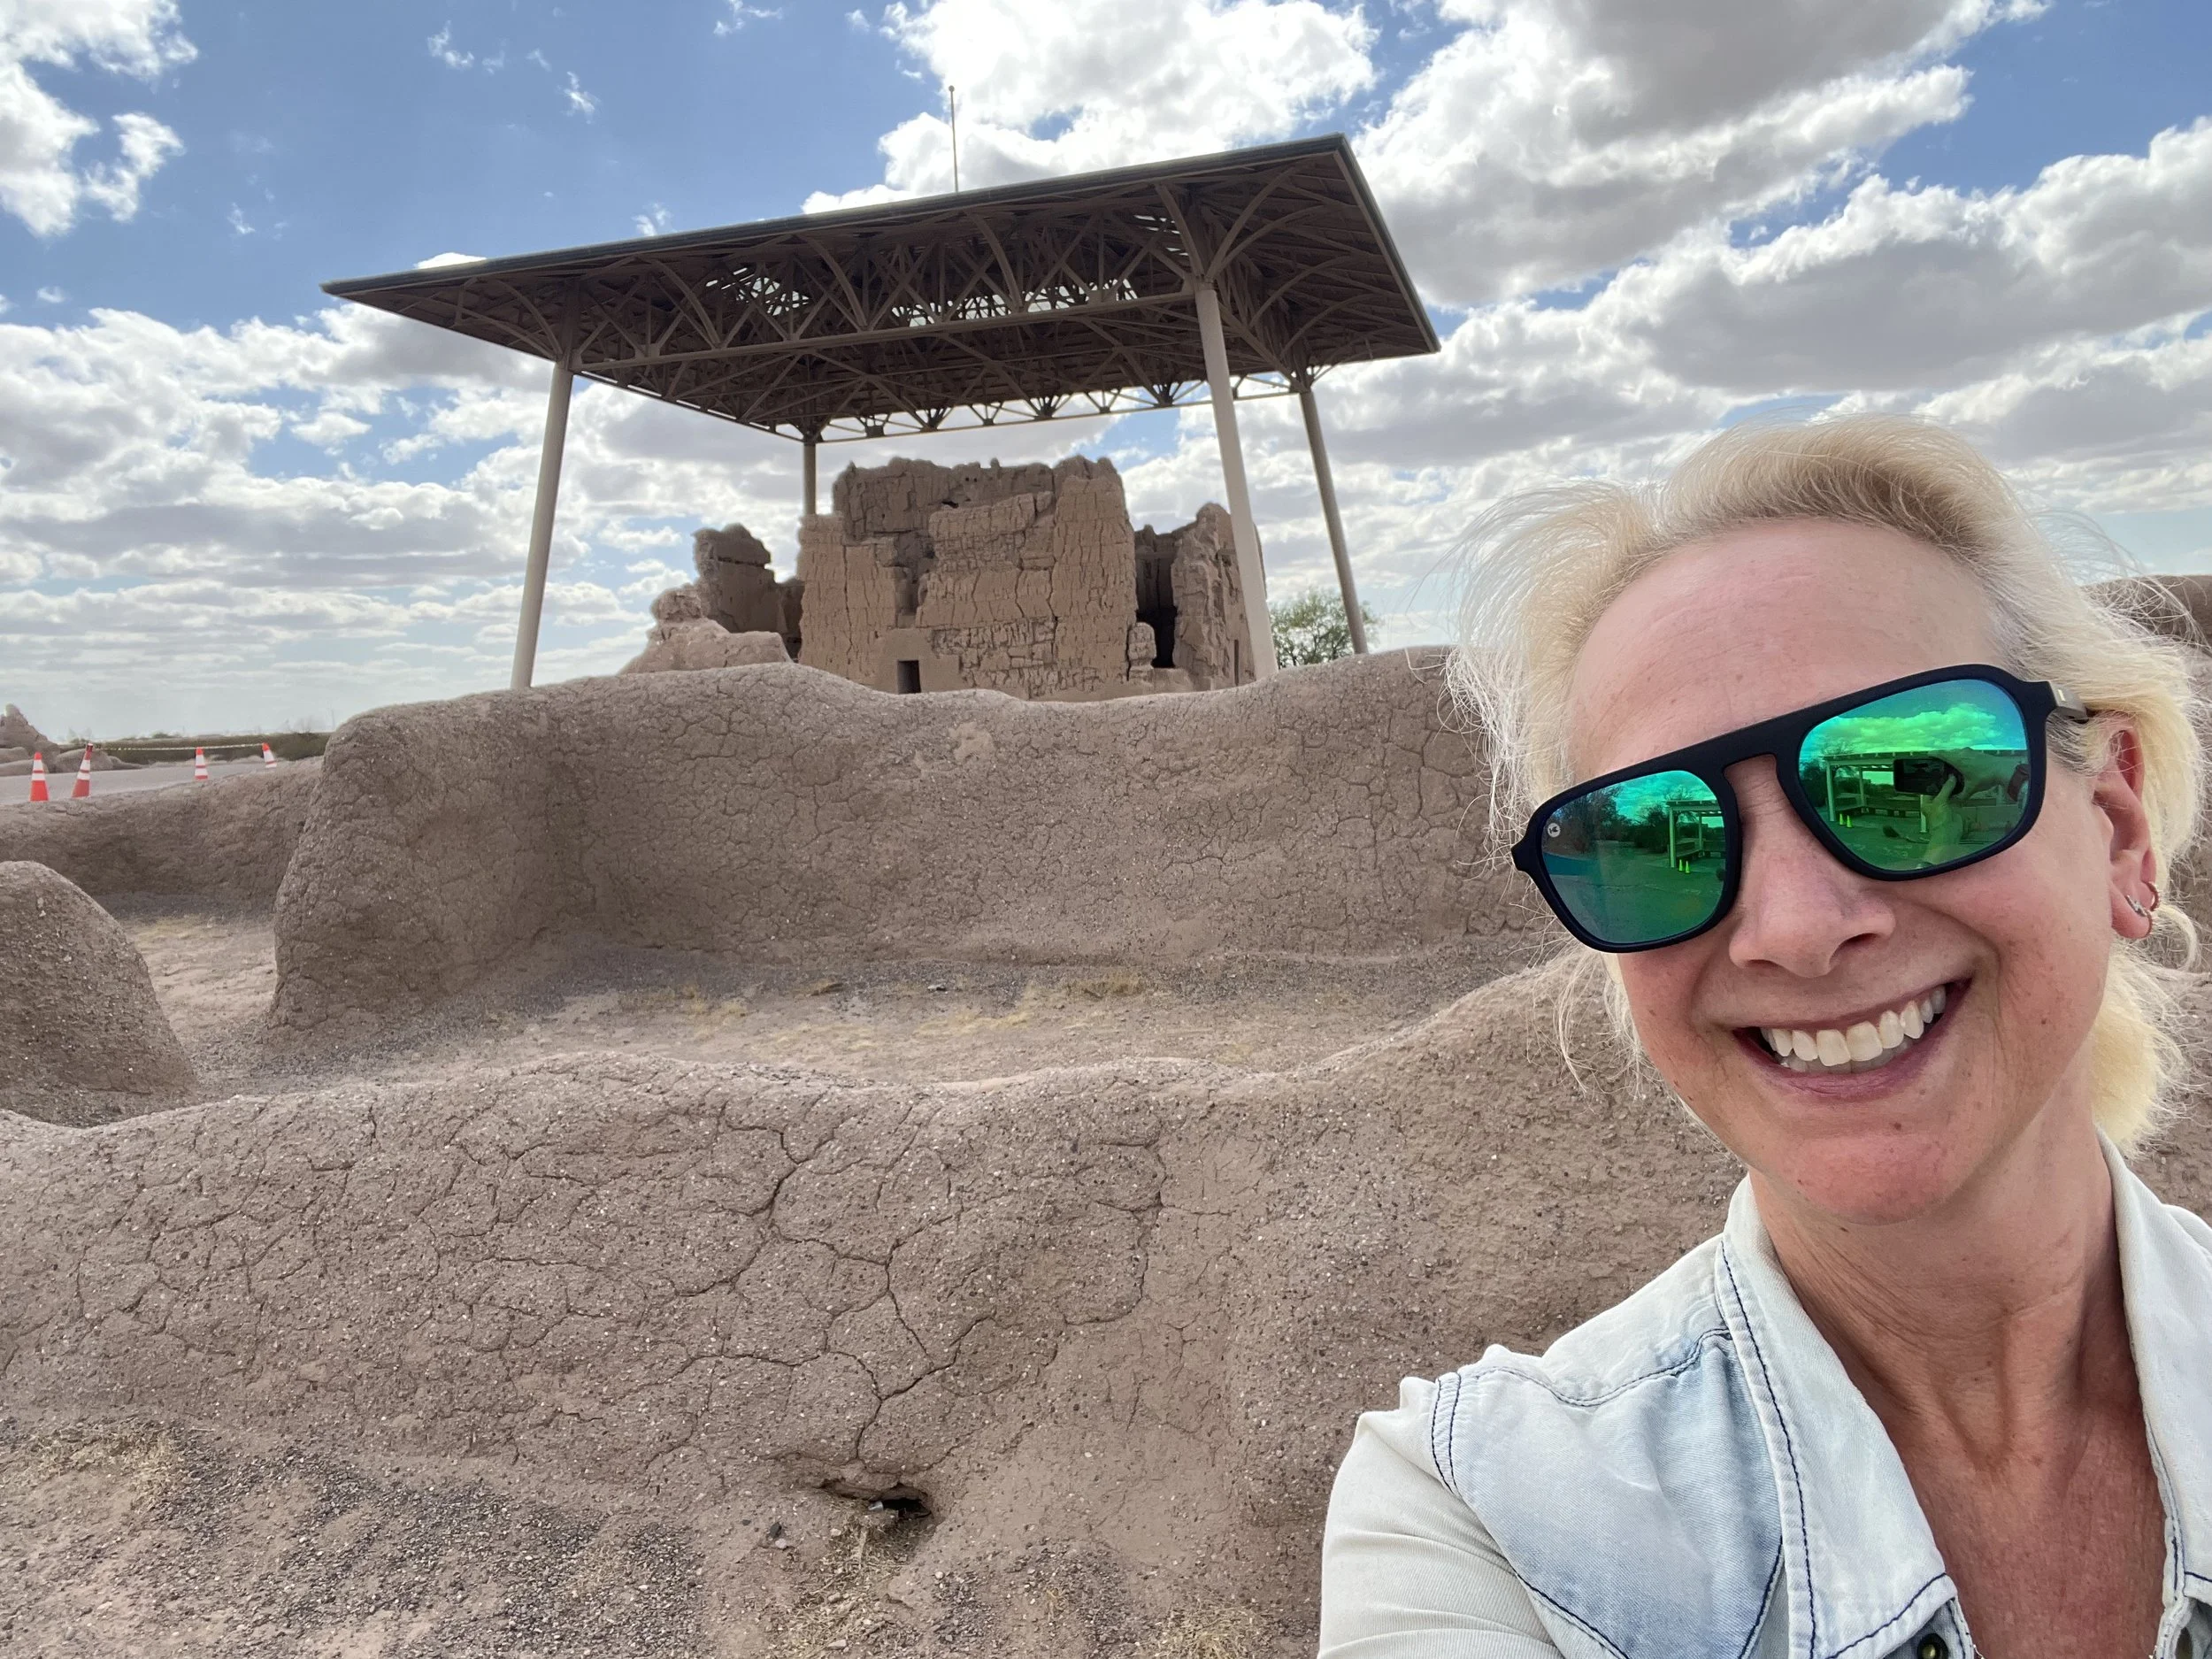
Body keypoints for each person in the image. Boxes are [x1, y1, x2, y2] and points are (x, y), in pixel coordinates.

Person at [1318, 417, 2208, 1659]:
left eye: (1907, 776)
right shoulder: (1489, 1522)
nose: (1792, 927)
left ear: (2115, 825)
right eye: (1654, 838)